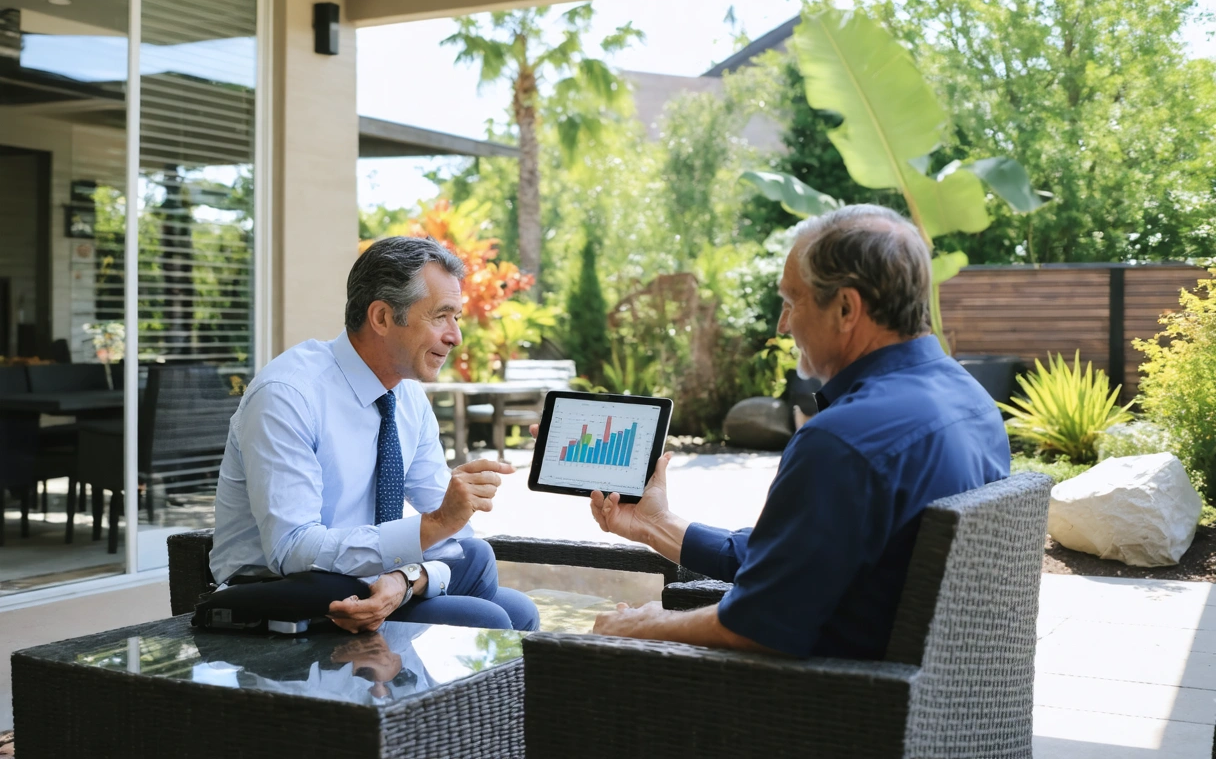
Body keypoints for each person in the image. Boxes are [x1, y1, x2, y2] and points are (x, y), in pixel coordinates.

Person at [583, 205, 1010, 658]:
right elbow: (802, 559)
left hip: (826, 706)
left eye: (791, 302)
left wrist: (645, 625)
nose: (782, 325)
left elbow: (756, 626)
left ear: (846, 307)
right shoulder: (973, 400)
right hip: (921, 694)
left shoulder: (842, 441)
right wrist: (656, 525)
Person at [210, 236, 538, 634]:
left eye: (456, 318)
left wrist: (406, 579)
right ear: (382, 317)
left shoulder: (407, 396)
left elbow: (451, 530)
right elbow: (292, 550)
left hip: (371, 581)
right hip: (287, 600)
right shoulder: (288, 395)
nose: (455, 336)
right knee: (488, 617)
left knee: (491, 574)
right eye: (441, 316)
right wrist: (431, 530)